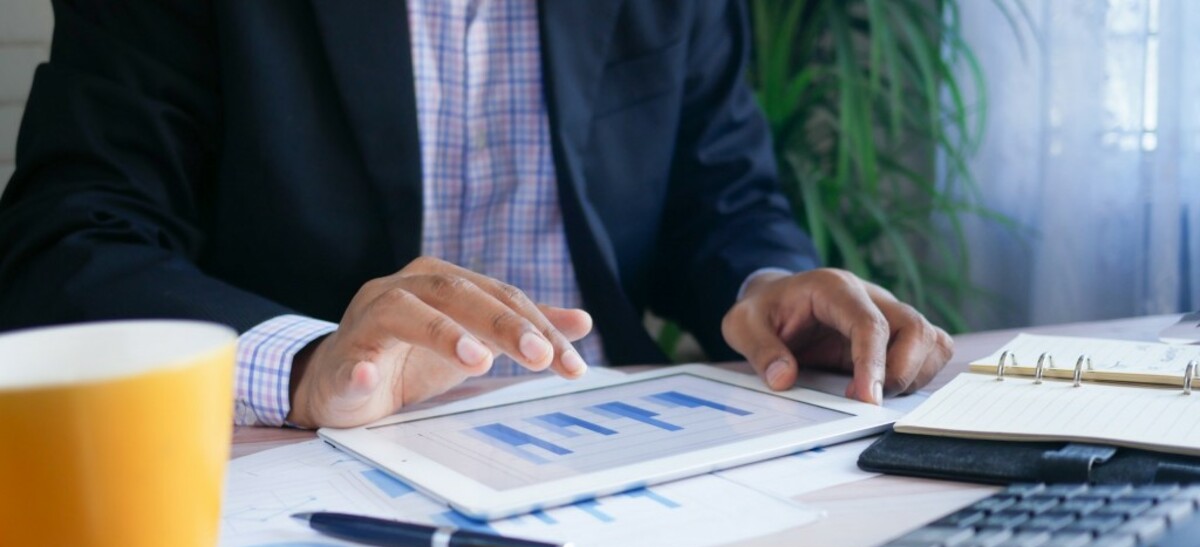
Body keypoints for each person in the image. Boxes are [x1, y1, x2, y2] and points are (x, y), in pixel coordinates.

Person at [0, 0, 952, 429]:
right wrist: (304, 362)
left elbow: (719, 194)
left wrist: (771, 285)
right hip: (311, 458)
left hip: (613, 448)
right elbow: (64, 242)